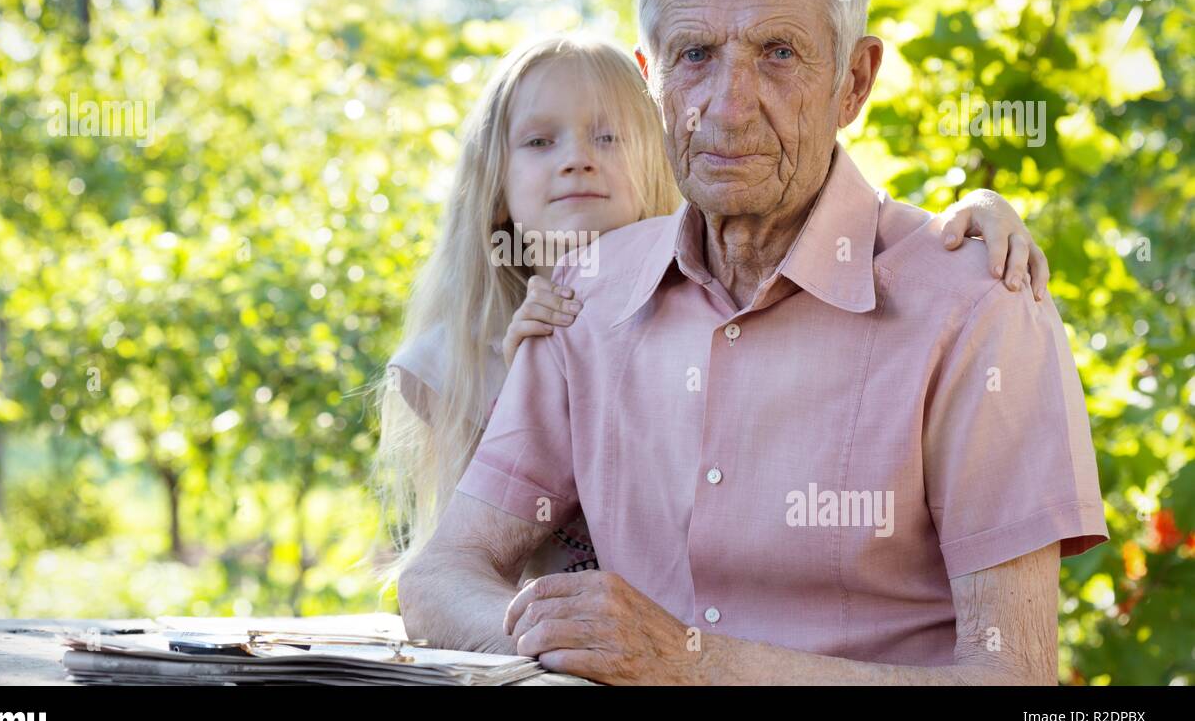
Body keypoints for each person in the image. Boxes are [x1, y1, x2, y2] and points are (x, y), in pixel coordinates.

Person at [396, 0, 1108, 685]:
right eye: (694, 54)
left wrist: (689, 666)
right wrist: (575, 652)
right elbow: (438, 576)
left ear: (854, 81)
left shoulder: (977, 306)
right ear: (652, 82)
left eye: (778, 52)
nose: (729, 110)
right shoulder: (586, 294)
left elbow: (1012, 684)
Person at [373, 31, 1051, 597]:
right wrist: (523, 387)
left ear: (664, 158)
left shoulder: (718, 296)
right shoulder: (454, 357)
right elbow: (461, 563)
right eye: (540, 142)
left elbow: (856, 229)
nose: (577, 160)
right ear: (494, 189)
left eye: (608, 138)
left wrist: (982, 210)